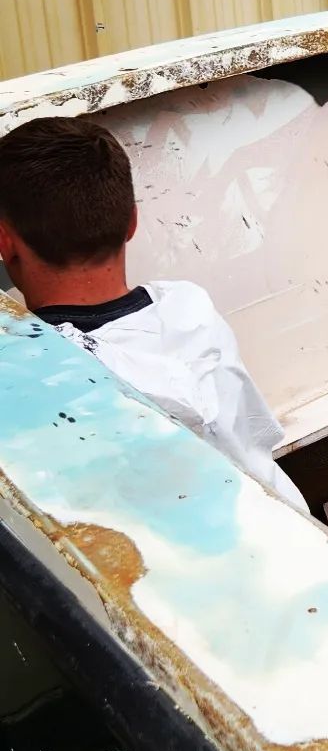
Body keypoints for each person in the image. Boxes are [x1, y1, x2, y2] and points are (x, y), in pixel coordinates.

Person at [0, 117, 309, 513]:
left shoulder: (28, 371)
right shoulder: (190, 310)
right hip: (292, 530)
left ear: (5, 242)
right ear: (132, 221)